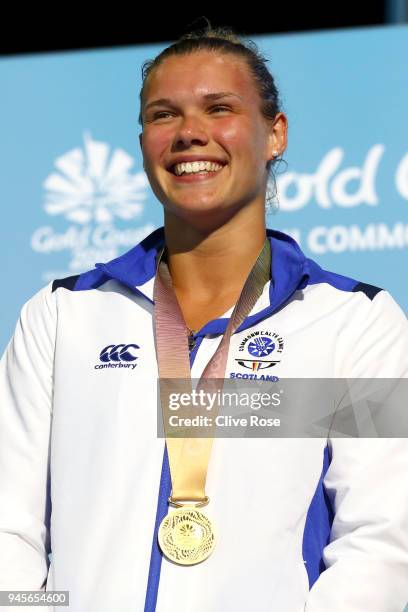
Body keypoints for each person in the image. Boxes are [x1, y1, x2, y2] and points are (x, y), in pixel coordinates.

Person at [1, 22, 408, 612]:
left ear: (275, 135)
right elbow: (10, 530)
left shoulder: (358, 322)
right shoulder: (62, 317)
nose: (190, 133)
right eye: (164, 115)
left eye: (219, 108)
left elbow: (384, 539)